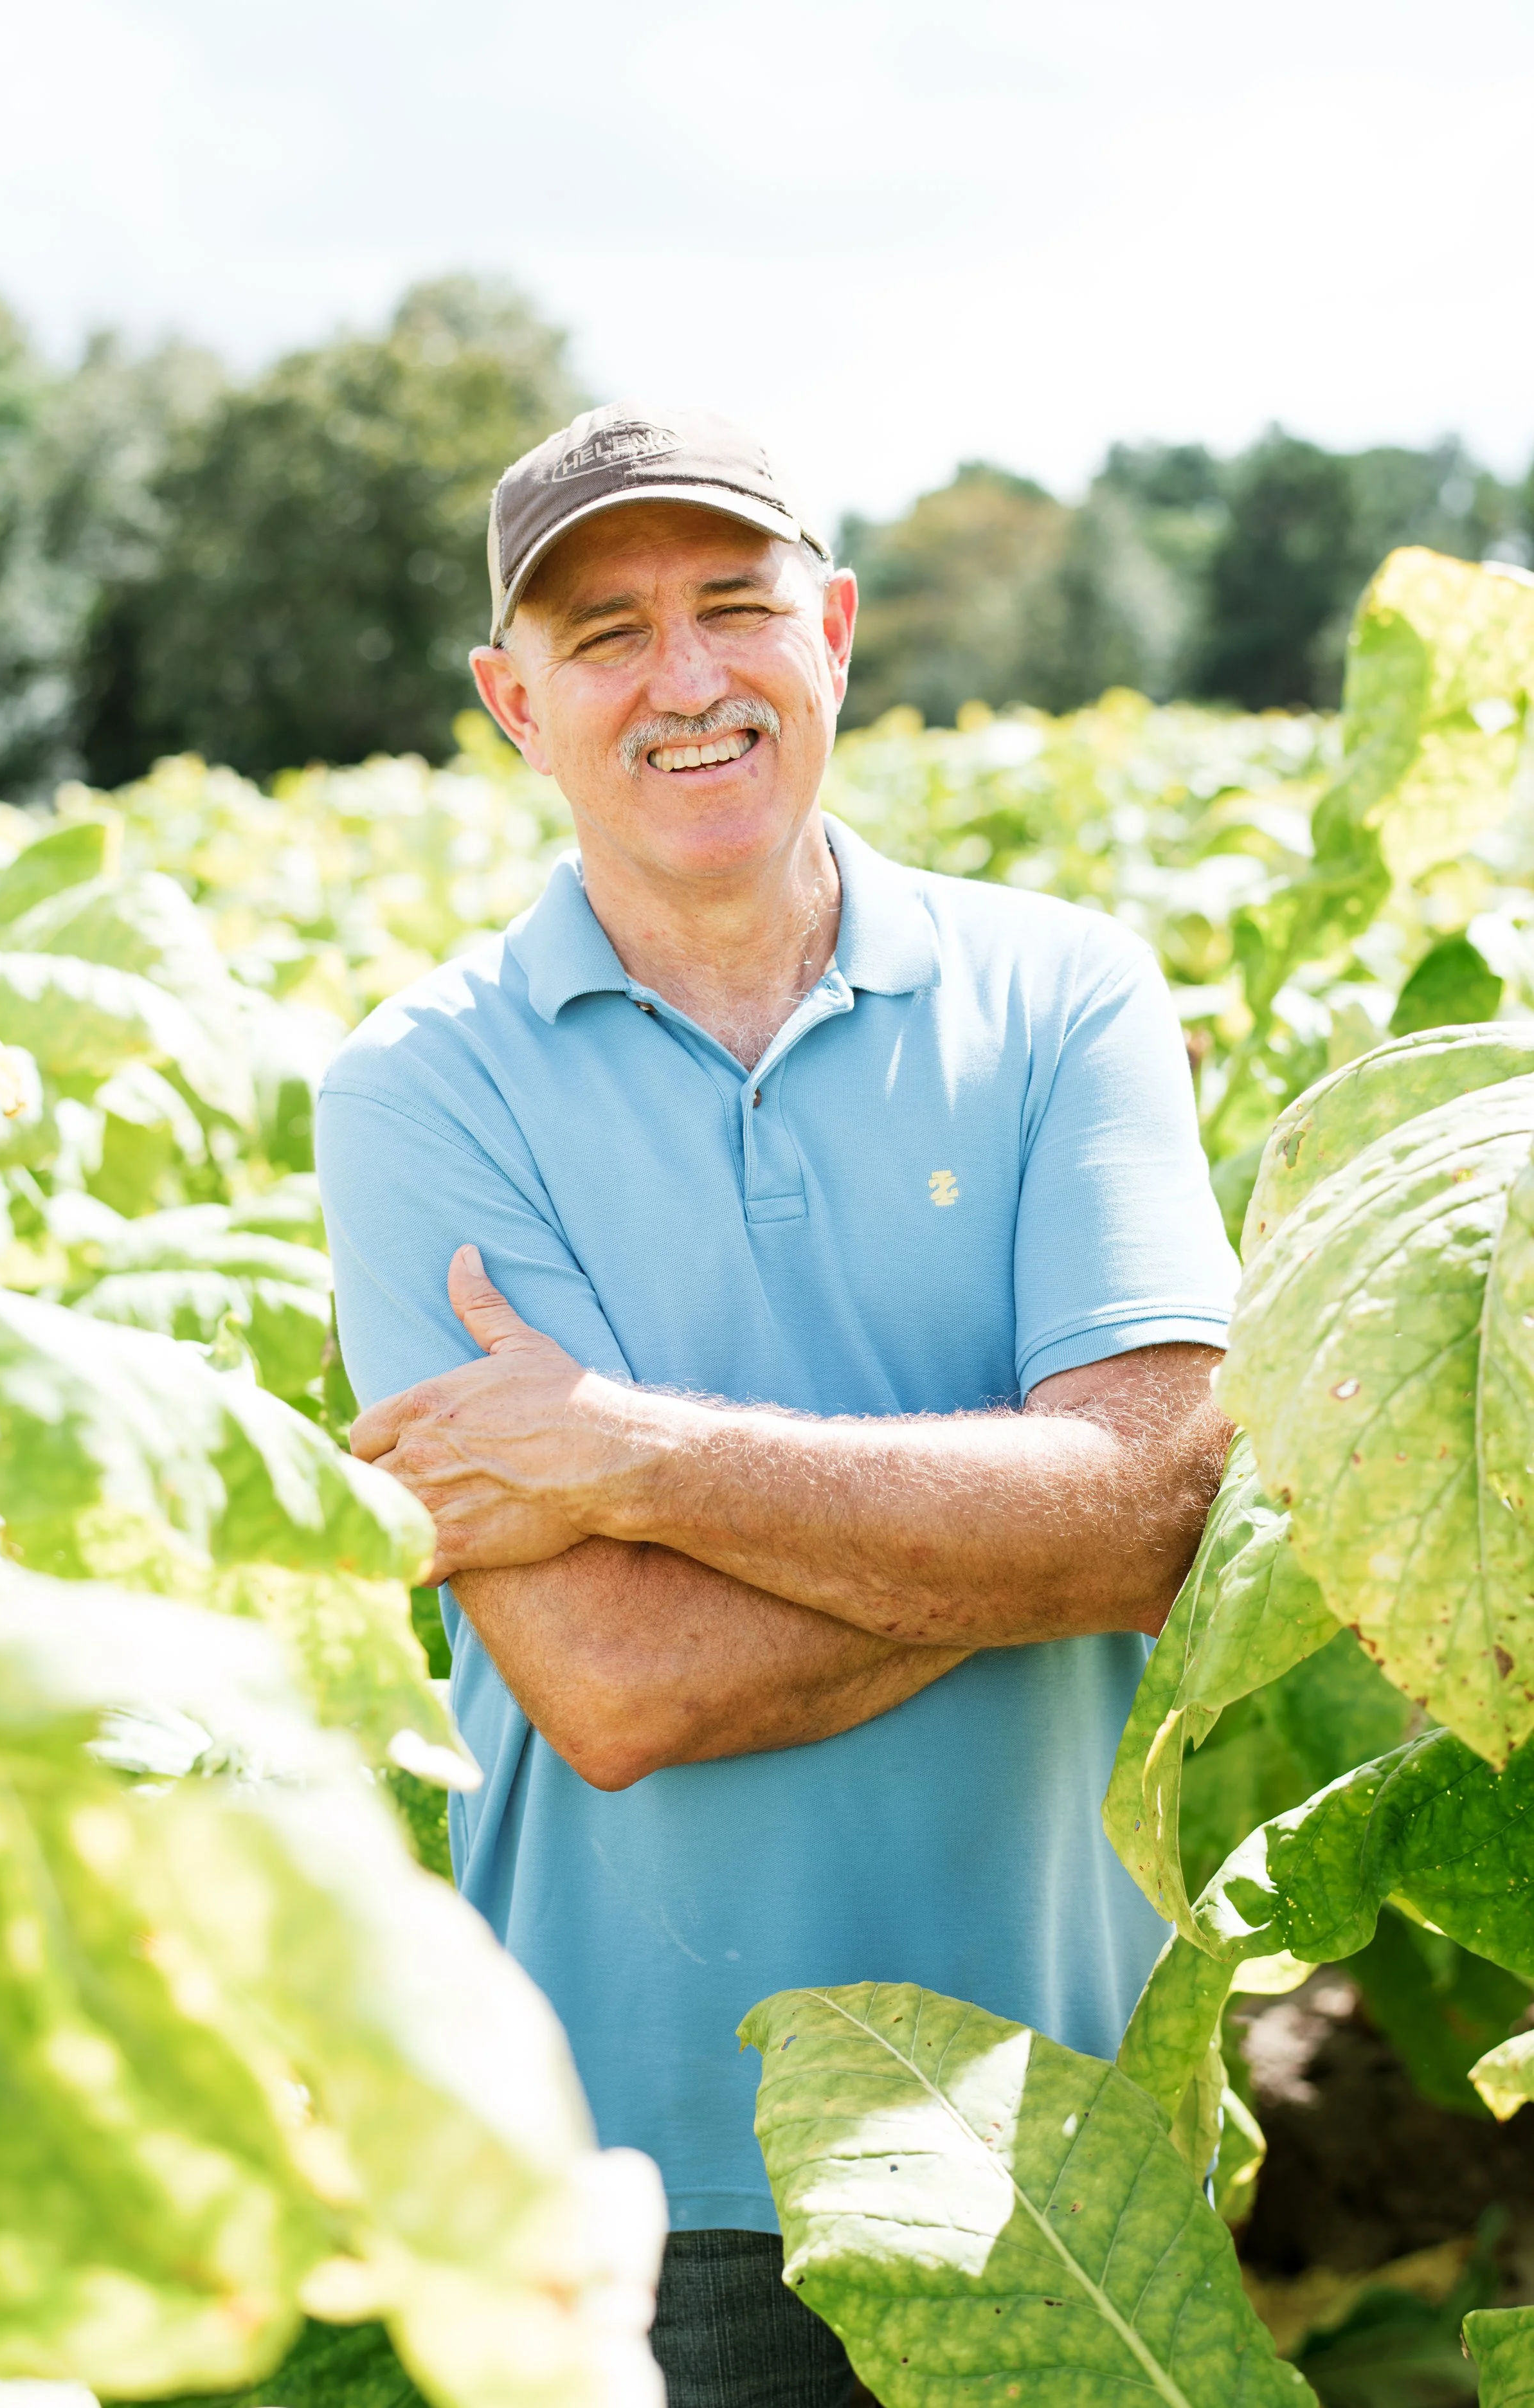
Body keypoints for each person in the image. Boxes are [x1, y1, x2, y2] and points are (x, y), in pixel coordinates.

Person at [316, 403, 1238, 2407]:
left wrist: (632, 1453)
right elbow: (619, 1686)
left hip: (1065, 2112)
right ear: (513, 702)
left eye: (734, 608)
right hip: (651, 2169)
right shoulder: (418, 1087)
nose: (686, 679)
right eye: (604, 634)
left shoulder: (1066, 990)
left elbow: (1155, 1520)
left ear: (829, 631)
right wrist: (1029, 1521)